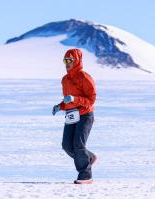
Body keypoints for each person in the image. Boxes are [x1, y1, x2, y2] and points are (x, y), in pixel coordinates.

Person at [52, 48, 97, 184]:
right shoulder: (65, 80)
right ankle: (88, 157)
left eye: (69, 60)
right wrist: (60, 106)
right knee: (67, 145)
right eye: (65, 61)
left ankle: (85, 175)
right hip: (71, 115)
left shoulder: (84, 77)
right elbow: (68, 101)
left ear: (76, 61)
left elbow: (91, 100)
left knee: (78, 144)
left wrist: (75, 99)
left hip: (85, 115)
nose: (67, 63)